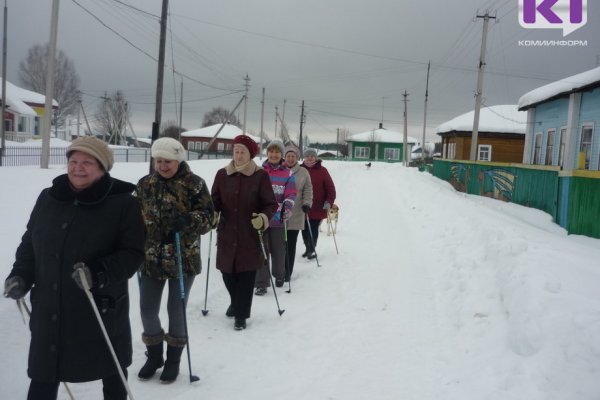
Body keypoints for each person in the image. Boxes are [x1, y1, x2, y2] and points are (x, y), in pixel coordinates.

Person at [4, 136, 145, 400]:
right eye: (73, 161)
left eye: (87, 163)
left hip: (98, 308)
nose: (77, 167)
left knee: (112, 371)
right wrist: (20, 275)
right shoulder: (48, 198)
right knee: (44, 374)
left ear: (103, 168)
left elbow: (133, 254)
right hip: (49, 307)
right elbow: (30, 243)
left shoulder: (124, 203)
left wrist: (98, 271)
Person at [134, 137, 216, 383]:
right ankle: (155, 355)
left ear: (178, 160)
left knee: (175, 310)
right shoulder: (145, 184)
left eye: (167, 161)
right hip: (150, 258)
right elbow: (132, 214)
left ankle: (173, 360)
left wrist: (189, 220)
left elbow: (210, 217)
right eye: (158, 161)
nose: (162, 166)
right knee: (147, 309)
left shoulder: (194, 184)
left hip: (183, 256)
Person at [211, 134, 277, 330]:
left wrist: (263, 218)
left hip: (250, 233)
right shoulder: (222, 174)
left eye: (242, 152)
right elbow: (213, 200)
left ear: (250, 155)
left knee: (247, 275)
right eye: (236, 151)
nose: (238, 155)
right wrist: (213, 214)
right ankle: (236, 301)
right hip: (227, 233)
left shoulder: (260, 175)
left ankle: (241, 315)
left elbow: (270, 204)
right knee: (227, 272)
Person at [254, 139, 297, 295]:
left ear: (281, 155)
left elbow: (291, 193)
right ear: (267, 153)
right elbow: (253, 193)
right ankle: (261, 283)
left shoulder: (288, 173)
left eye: (277, 152)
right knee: (262, 251)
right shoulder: (259, 171)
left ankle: (279, 275)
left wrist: (288, 206)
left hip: (279, 219)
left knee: (278, 251)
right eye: (271, 151)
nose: (274, 154)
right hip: (262, 220)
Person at [283, 143, 313, 281]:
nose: (290, 158)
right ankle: (278, 270)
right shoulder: (279, 170)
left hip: (296, 213)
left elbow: (308, 190)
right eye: (288, 156)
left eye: (293, 156)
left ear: (297, 157)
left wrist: (307, 203)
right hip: (279, 214)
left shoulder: (303, 172)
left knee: (290, 244)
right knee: (279, 245)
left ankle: (287, 272)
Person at [301, 148, 336, 259]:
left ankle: (312, 249)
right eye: (307, 156)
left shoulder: (322, 170)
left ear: (316, 157)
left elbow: (330, 188)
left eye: (312, 156)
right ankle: (307, 247)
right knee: (304, 229)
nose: (310, 157)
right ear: (304, 157)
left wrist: (329, 201)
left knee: (313, 228)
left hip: (317, 206)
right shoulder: (300, 169)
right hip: (302, 206)